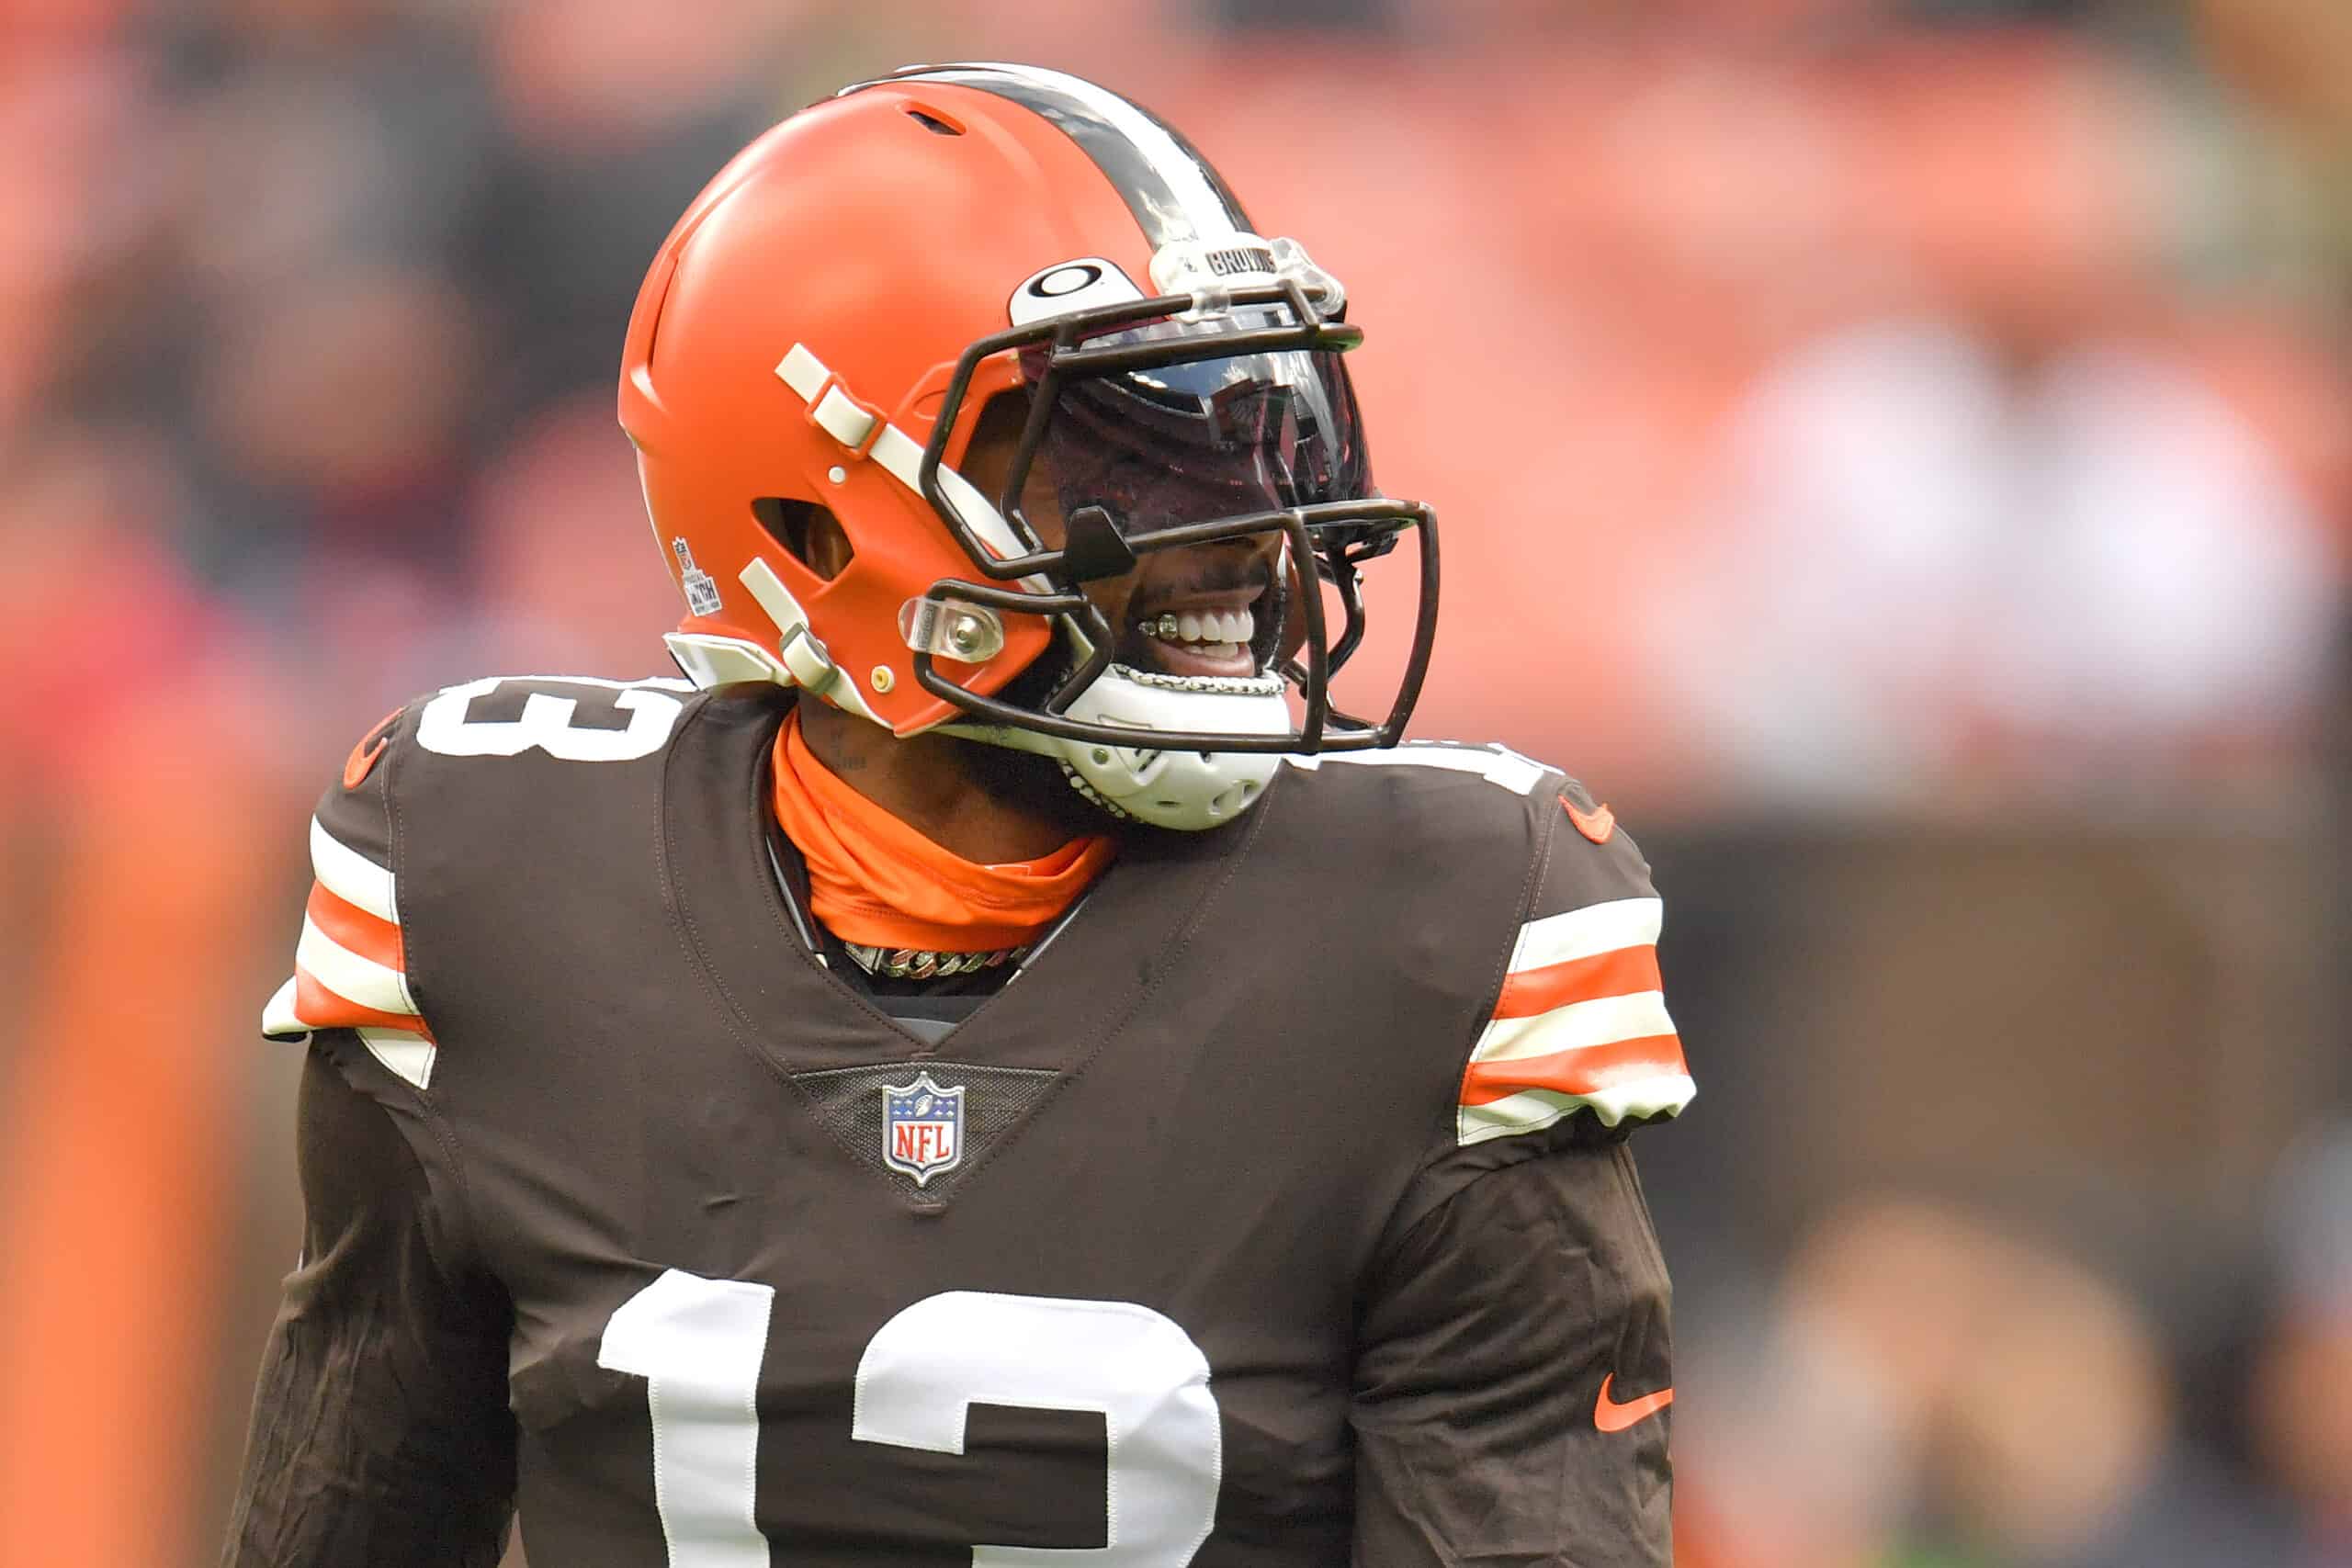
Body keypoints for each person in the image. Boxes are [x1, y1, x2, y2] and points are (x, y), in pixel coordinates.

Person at [220, 62, 1695, 1568]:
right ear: (810, 523)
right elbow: (352, 1518)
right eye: (1127, 448)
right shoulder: (496, 879)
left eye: (1261, 427)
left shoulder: (1437, 932)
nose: (1246, 527)